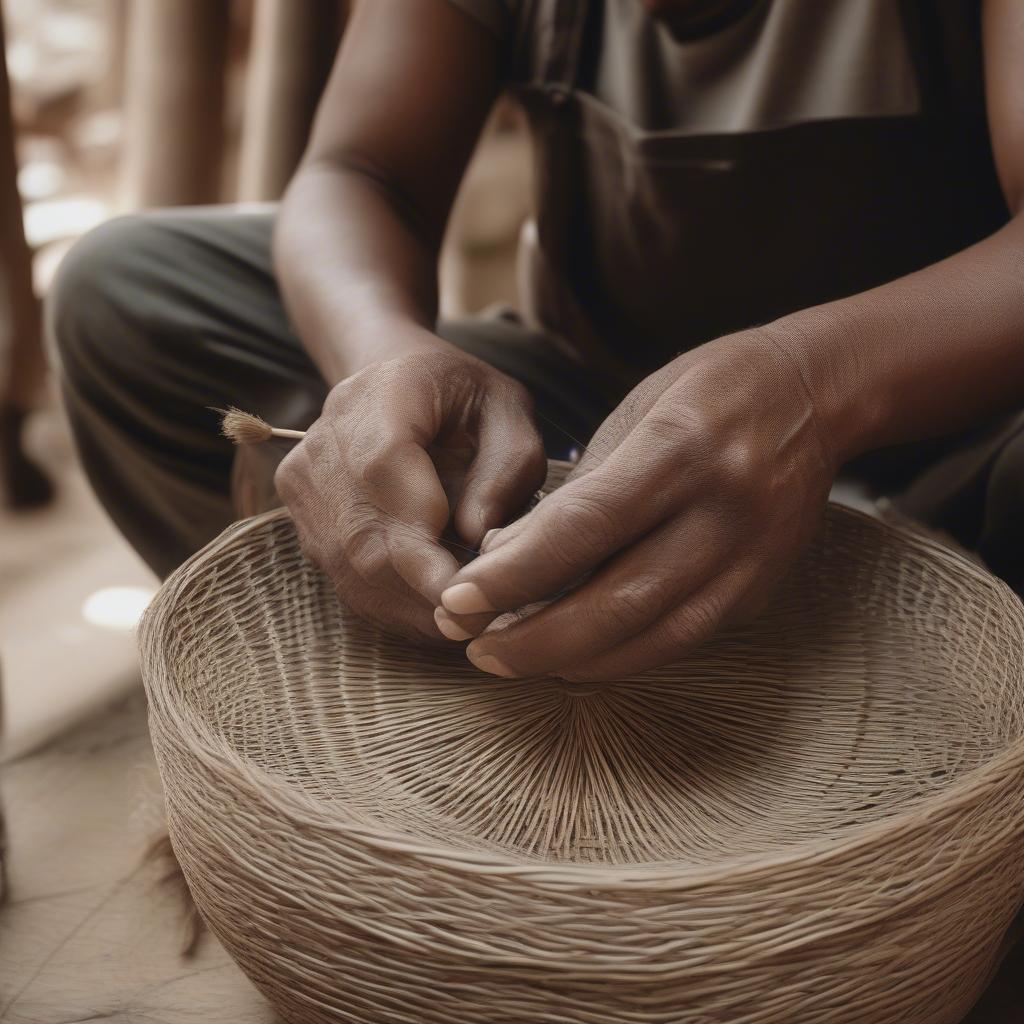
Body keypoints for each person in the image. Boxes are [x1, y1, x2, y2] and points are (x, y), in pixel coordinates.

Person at [50, 0, 1024, 682]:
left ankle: (911, 661)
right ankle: (520, 649)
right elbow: (357, 170)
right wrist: (380, 356)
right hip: (584, 435)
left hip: (945, 456)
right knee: (131, 293)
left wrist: (813, 387)